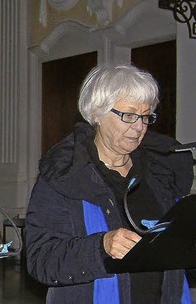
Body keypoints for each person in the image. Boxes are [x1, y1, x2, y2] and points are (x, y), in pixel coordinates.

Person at [26, 64, 193, 303]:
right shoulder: (64, 176)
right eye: (129, 115)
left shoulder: (160, 172)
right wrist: (100, 247)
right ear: (97, 113)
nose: (139, 127)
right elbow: (41, 260)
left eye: (146, 116)